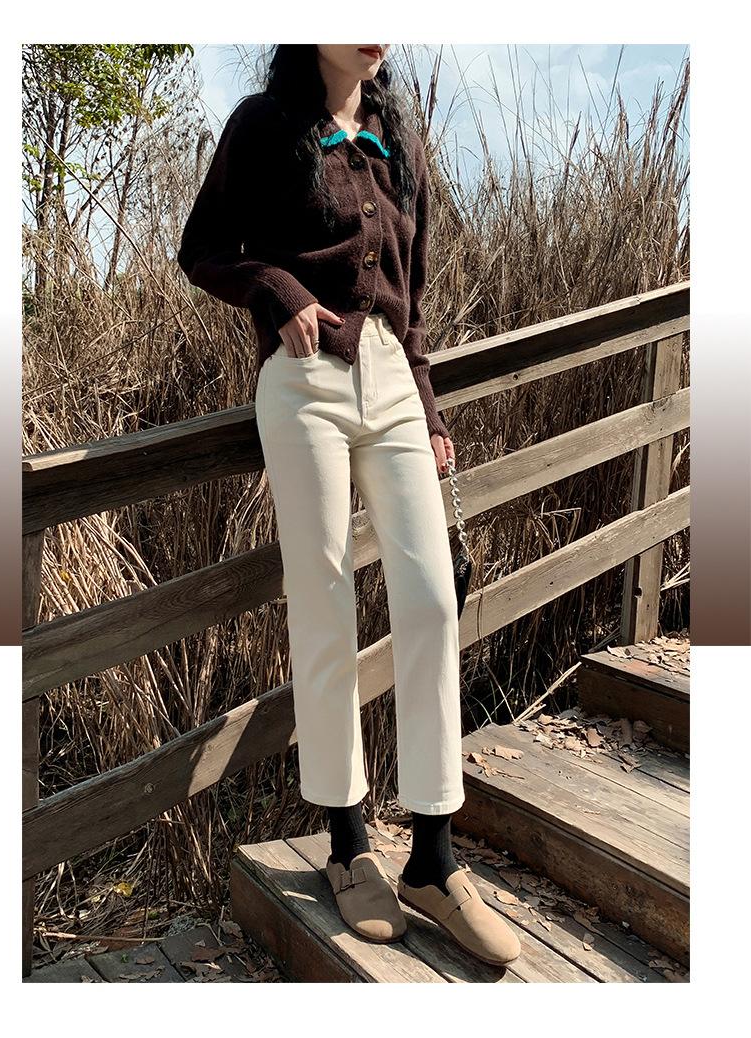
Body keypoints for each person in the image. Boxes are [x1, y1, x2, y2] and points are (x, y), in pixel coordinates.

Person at [177, 43, 520, 967]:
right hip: (304, 384)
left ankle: (434, 859)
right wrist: (276, 288)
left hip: (394, 384)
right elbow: (204, 248)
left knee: (431, 598)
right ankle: (347, 845)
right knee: (325, 598)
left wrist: (430, 408)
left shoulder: (398, 134)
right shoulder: (265, 126)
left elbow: (414, 299)